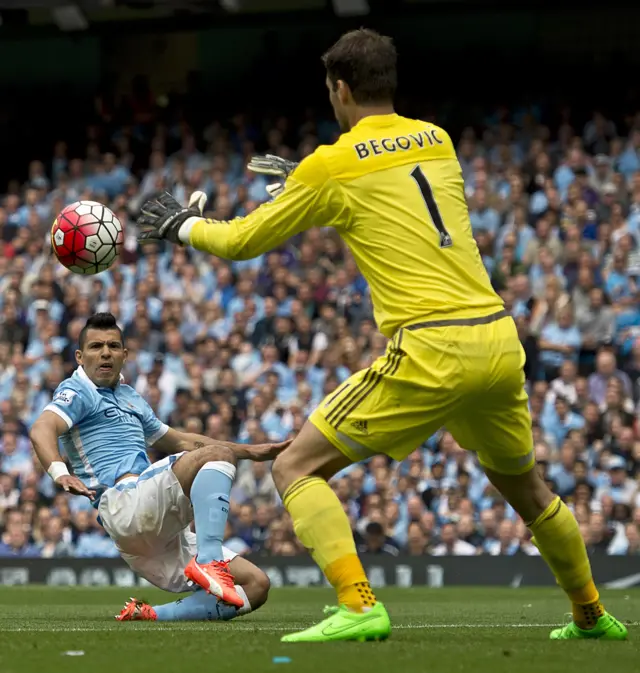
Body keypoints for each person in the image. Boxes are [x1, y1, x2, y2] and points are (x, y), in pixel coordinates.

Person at [135, 29, 627, 643]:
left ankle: (358, 602)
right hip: (498, 341)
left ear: (339, 89)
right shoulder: (437, 140)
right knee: (528, 490)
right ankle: (589, 614)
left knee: (295, 466)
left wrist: (183, 226)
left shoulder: (332, 165)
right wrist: (312, 187)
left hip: (432, 347)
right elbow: (398, 205)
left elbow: (240, 242)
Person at [29, 313, 286, 623]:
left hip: (154, 533)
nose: (106, 352)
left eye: (113, 345)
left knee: (257, 585)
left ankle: (150, 615)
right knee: (215, 456)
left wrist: (249, 452)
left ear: (125, 354)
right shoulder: (79, 391)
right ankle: (209, 560)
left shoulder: (131, 397)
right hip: (125, 504)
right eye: (96, 346)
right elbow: (42, 427)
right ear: (80, 357)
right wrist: (59, 472)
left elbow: (180, 441)